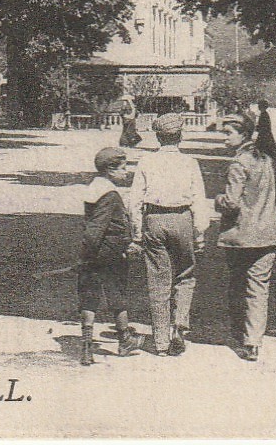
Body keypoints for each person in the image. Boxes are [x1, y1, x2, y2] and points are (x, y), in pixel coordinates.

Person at [127, 112, 210, 355]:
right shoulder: (190, 163)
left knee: (157, 280)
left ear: (157, 137)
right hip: (182, 218)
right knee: (186, 274)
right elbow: (199, 199)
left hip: (154, 219)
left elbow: (134, 200)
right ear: (180, 136)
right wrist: (200, 231)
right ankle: (180, 326)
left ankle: (161, 342)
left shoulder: (146, 162)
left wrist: (137, 231)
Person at [216, 116, 276, 362]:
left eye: (228, 133)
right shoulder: (266, 160)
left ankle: (239, 333)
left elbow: (231, 203)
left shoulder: (239, 163)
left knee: (237, 284)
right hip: (267, 233)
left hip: (241, 236)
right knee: (259, 288)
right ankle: (253, 341)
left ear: (242, 135)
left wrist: (217, 200)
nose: (225, 138)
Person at [78, 146, 144, 365]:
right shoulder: (110, 195)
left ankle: (87, 347)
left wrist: (85, 256)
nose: (127, 172)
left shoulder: (94, 190)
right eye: (123, 167)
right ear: (110, 169)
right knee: (117, 294)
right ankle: (124, 339)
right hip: (109, 253)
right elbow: (98, 228)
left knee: (89, 295)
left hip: (94, 252)